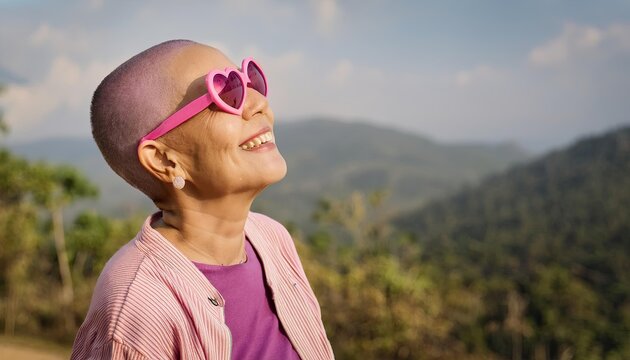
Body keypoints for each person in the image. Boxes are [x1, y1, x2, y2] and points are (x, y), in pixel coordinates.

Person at [70, 40, 334, 360]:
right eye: (224, 93)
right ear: (165, 161)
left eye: (248, 80)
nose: (257, 102)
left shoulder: (272, 238)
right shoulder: (138, 305)